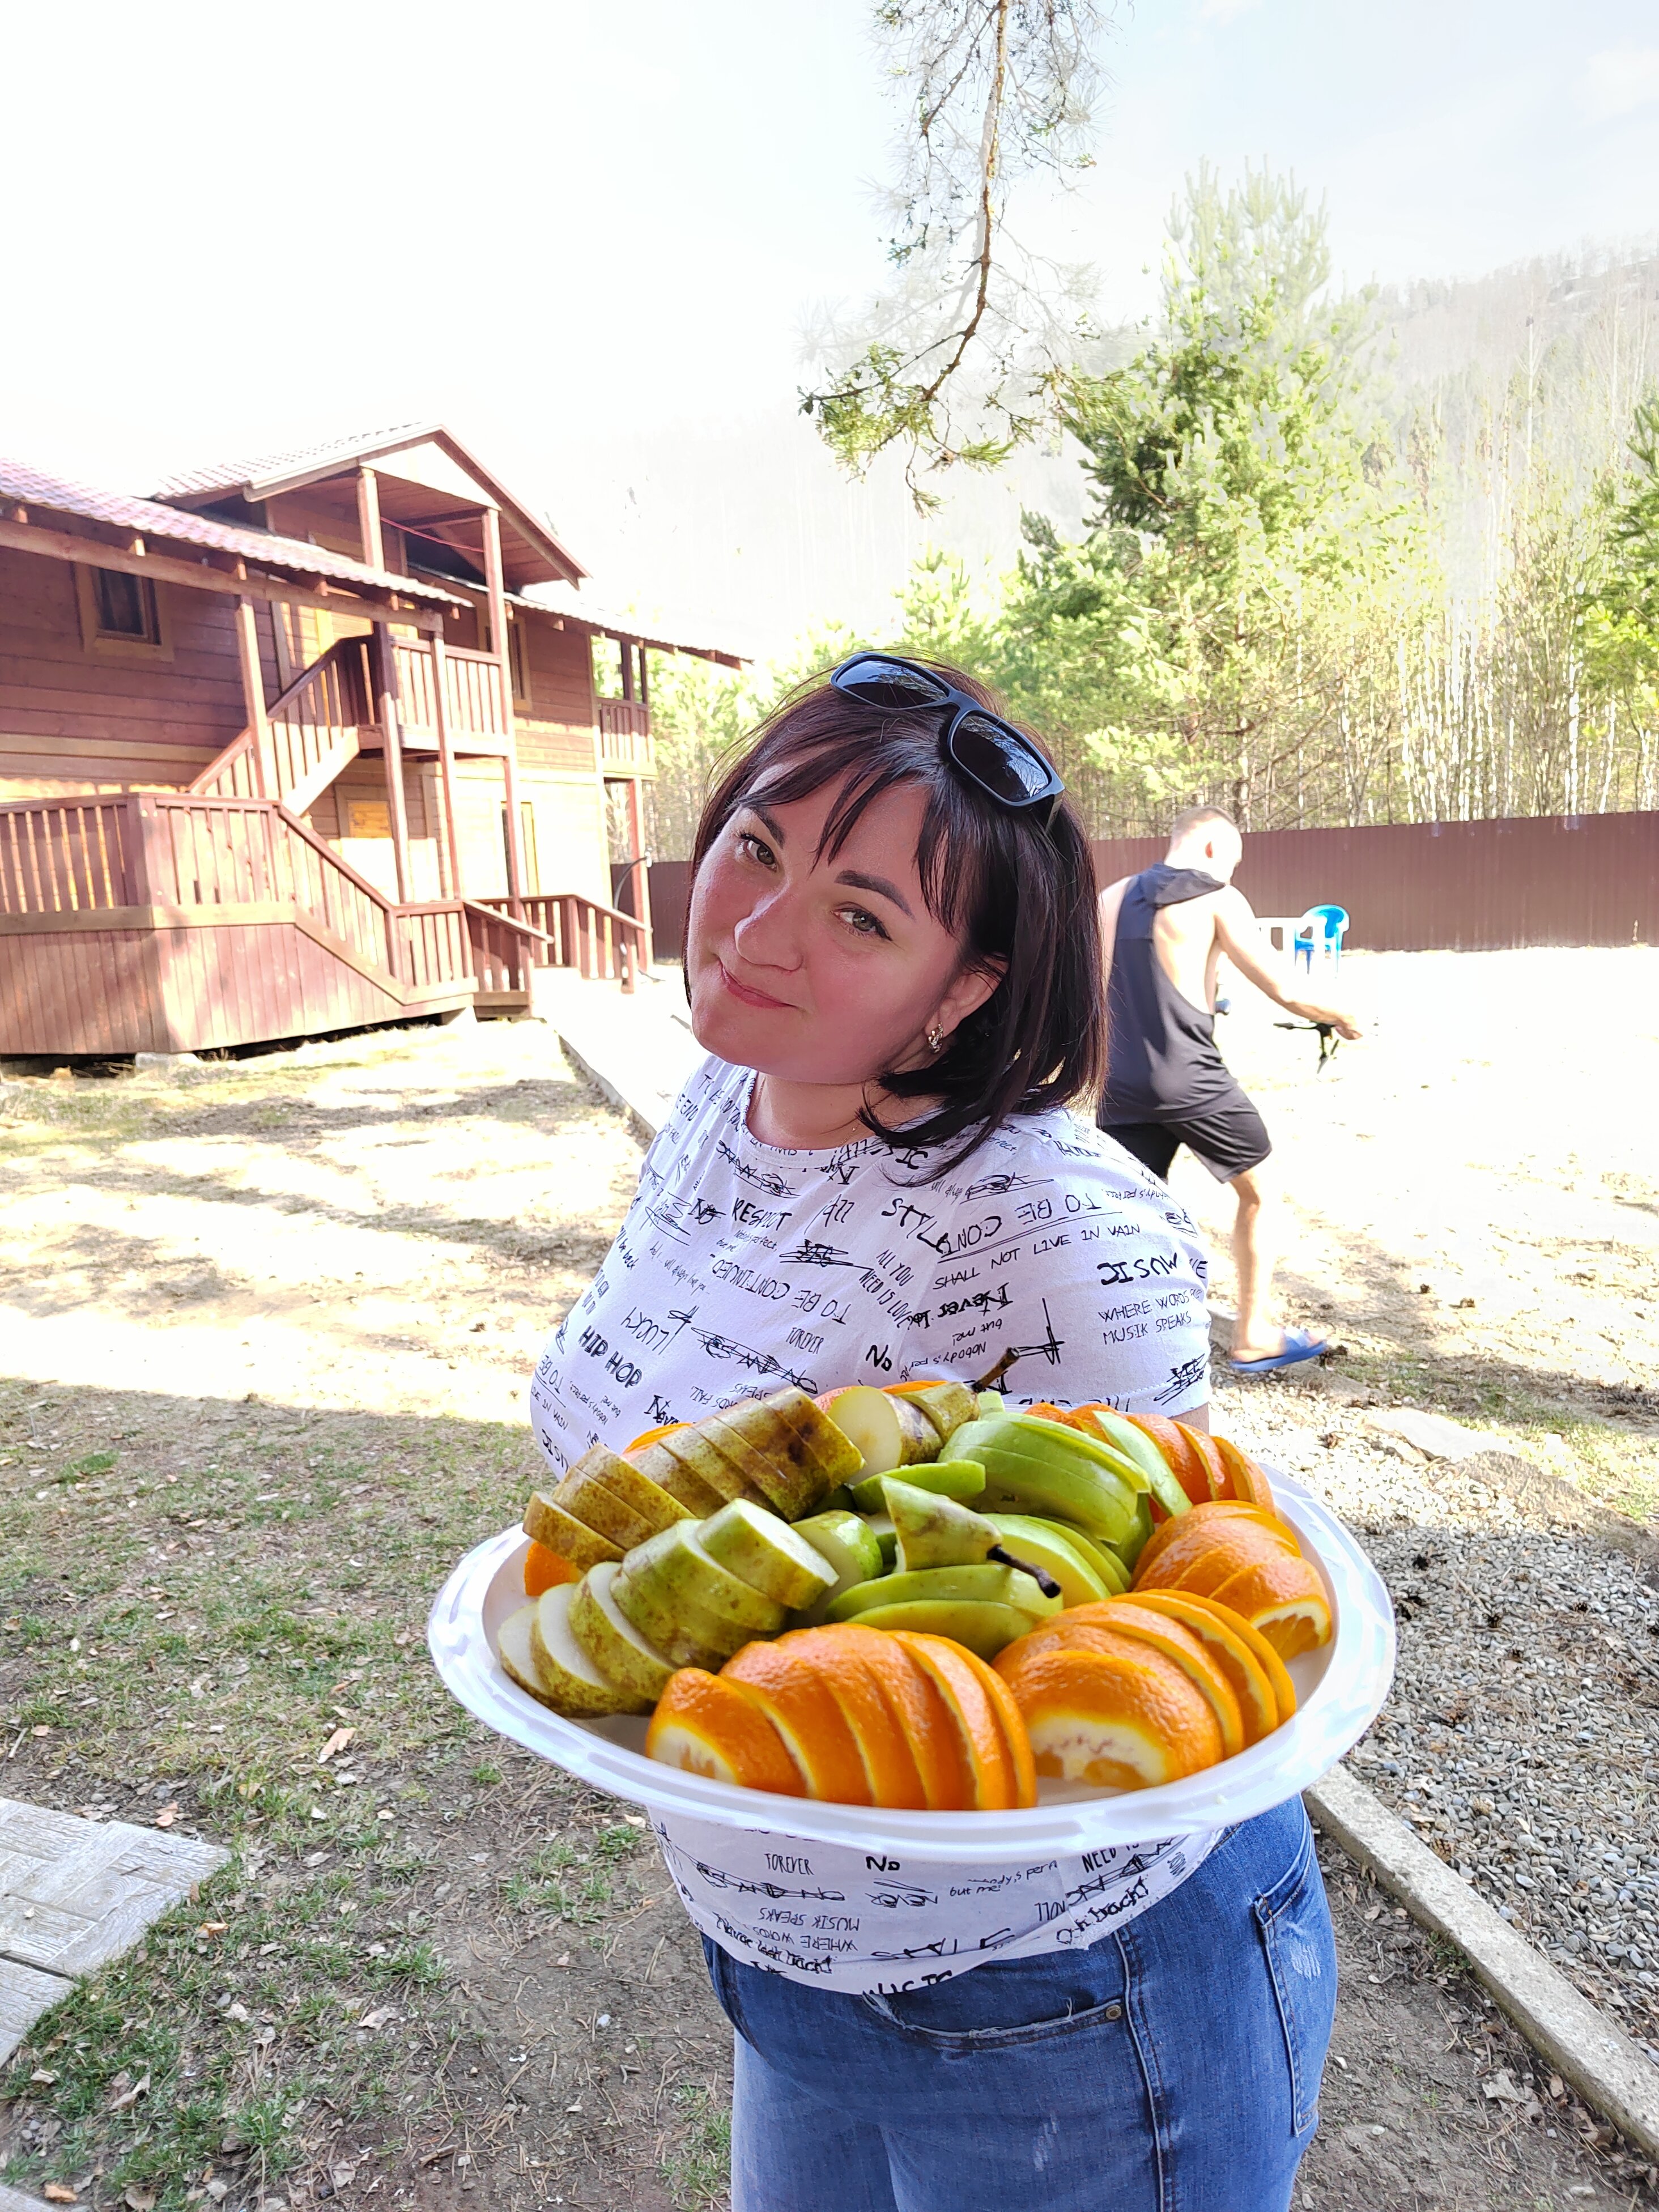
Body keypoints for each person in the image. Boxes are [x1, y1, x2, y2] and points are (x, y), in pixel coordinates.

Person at [529, 658, 1335, 2212]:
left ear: (964, 986)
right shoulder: (728, 1090)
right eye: (760, 848)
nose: (758, 931)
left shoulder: (1057, 1230)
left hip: (1065, 1998)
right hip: (785, 1959)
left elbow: (1161, 1622)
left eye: (864, 915)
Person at [1096, 806, 1363, 1377]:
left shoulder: (1112, 897)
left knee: (1121, 1215)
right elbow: (1287, 987)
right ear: (1215, 848)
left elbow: (1100, 991)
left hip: (1120, 1082)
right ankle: (1253, 1334)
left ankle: (1122, 1339)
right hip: (1190, 1078)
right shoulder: (1217, 897)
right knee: (1262, 1191)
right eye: (1234, 861)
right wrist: (1345, 1016)